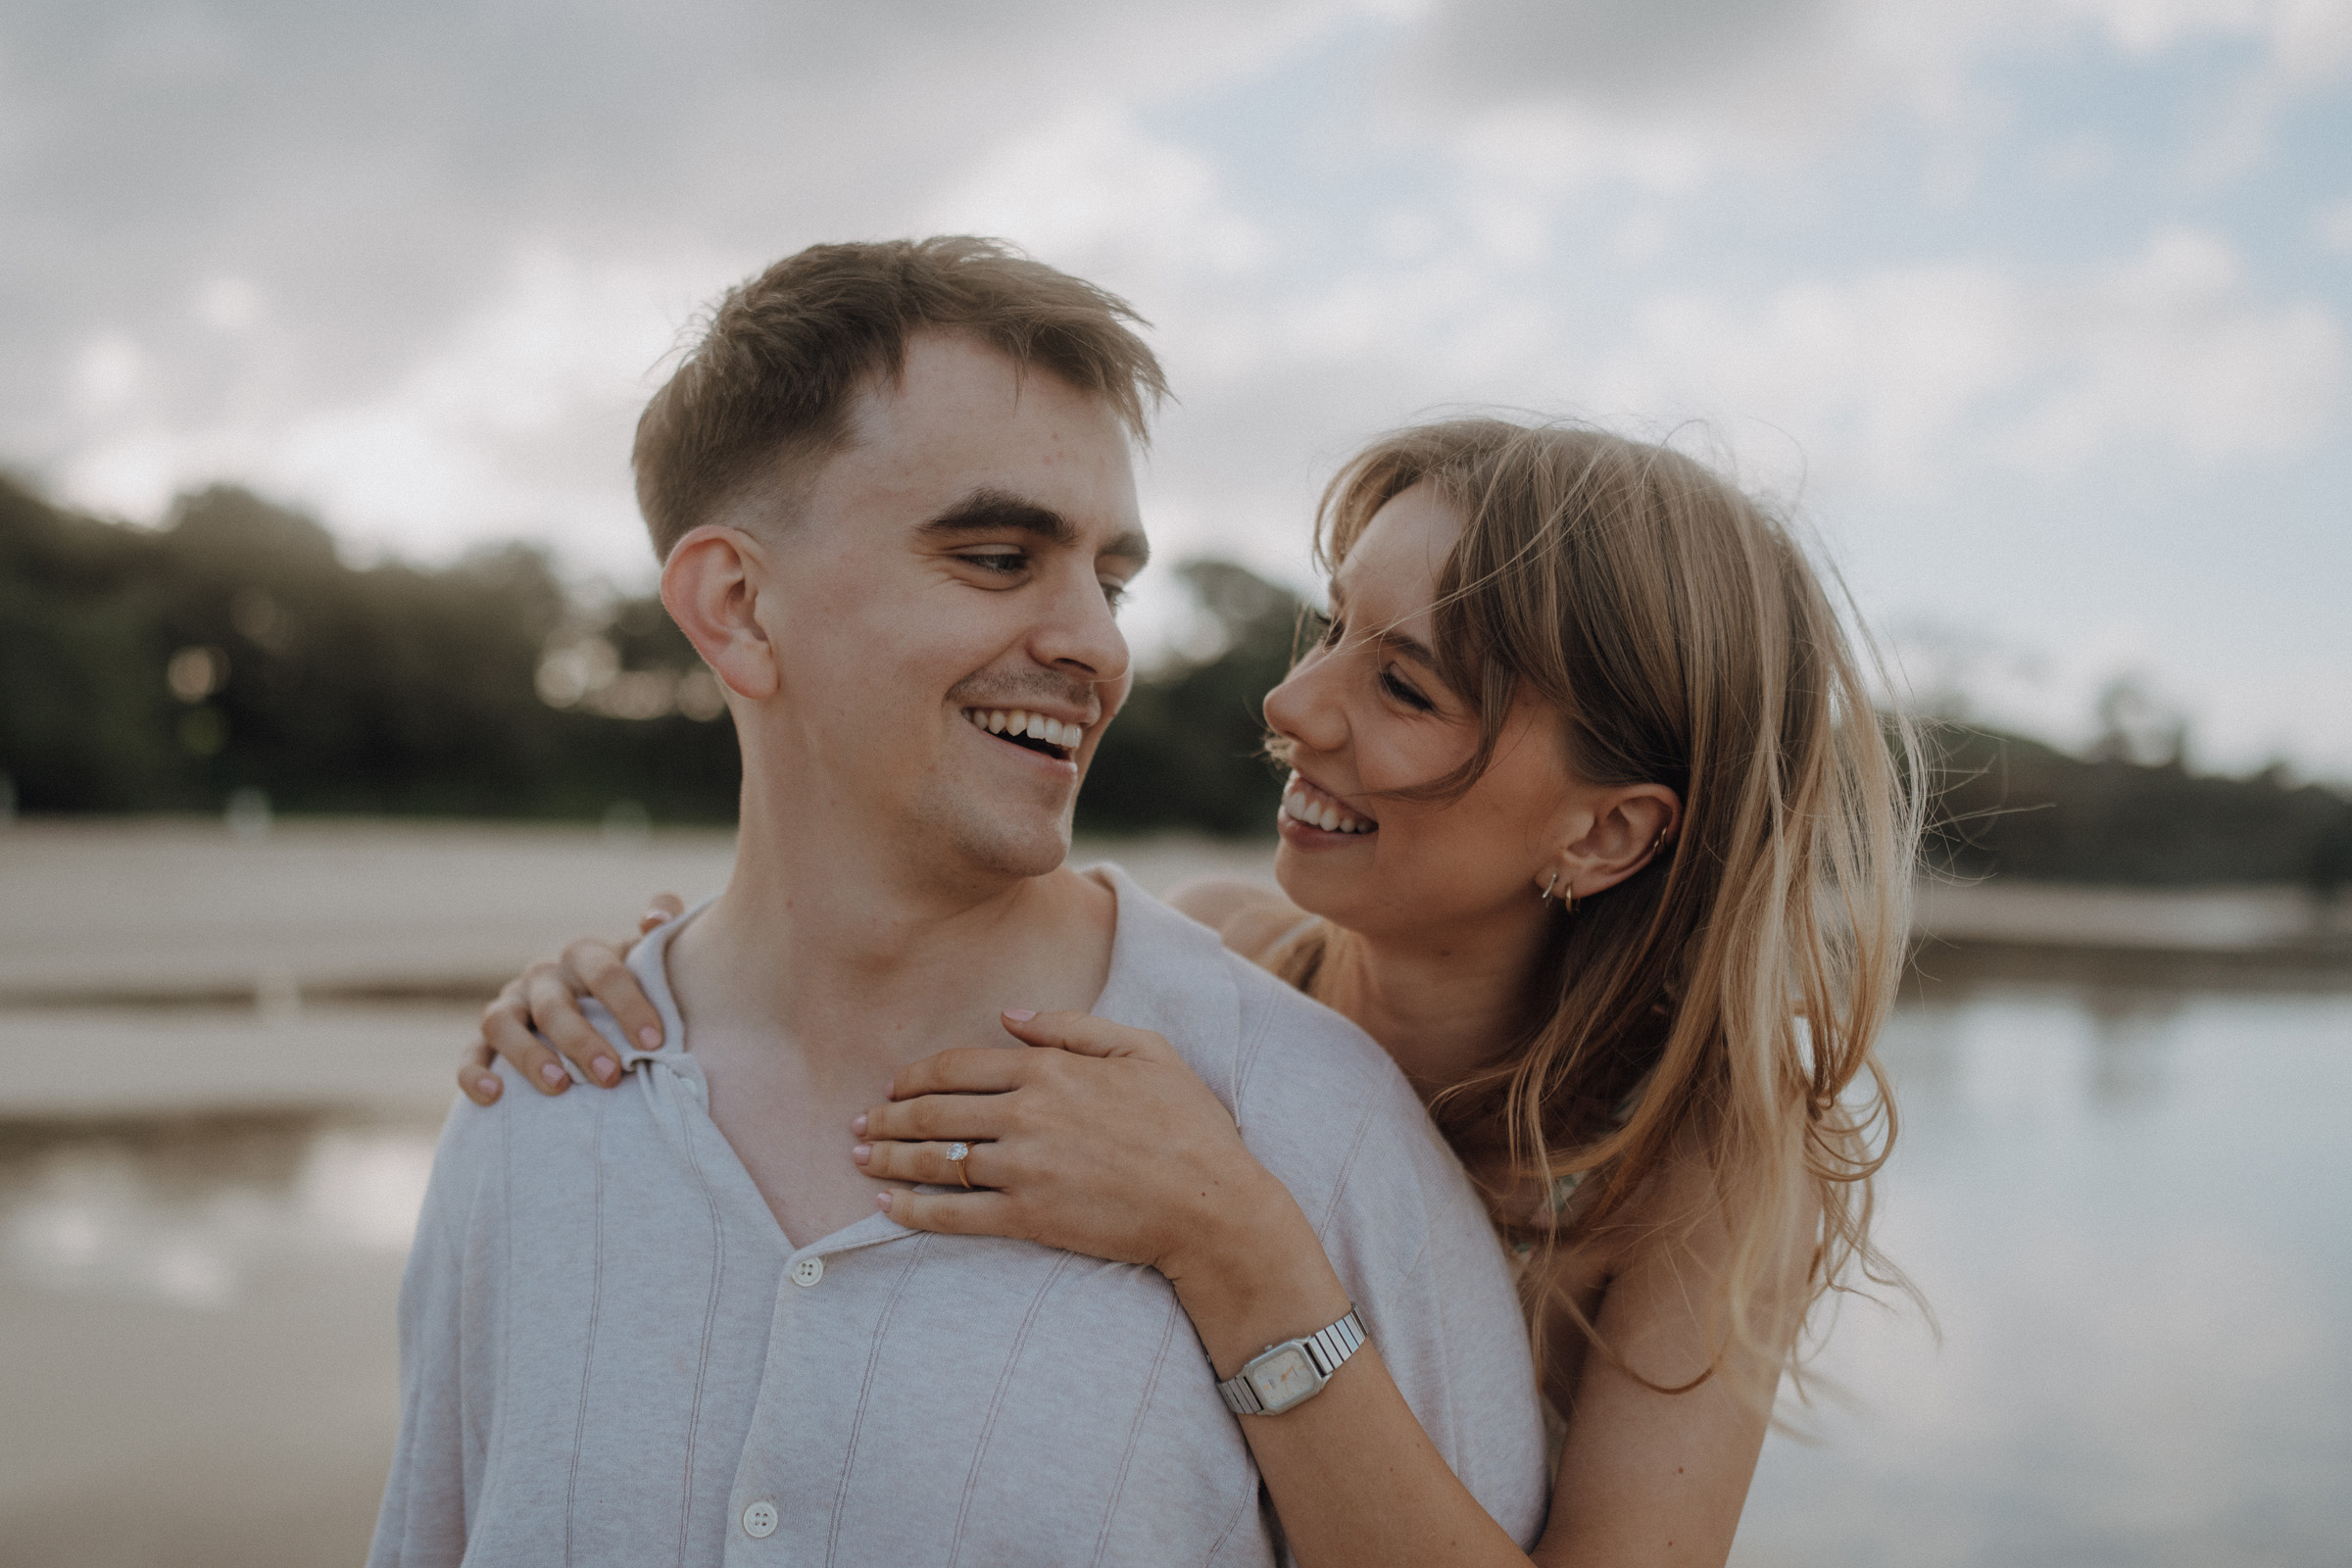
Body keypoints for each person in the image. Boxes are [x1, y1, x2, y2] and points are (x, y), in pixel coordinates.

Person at [466, 415, 1923, 1564]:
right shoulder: (1217, 956)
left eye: (1404, 690)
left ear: (1604, 831)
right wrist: (660, 986)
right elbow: (863, 930)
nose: (1292, 708)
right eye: (1328, 631)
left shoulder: (1708, 1167)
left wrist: (1236, 1241)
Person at [369, 237, 1550, 1568]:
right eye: (997, 558)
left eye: (1109, 583)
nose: (1097, 645)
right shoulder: (536, 1105)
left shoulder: (1306, 1134)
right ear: (738, 605)